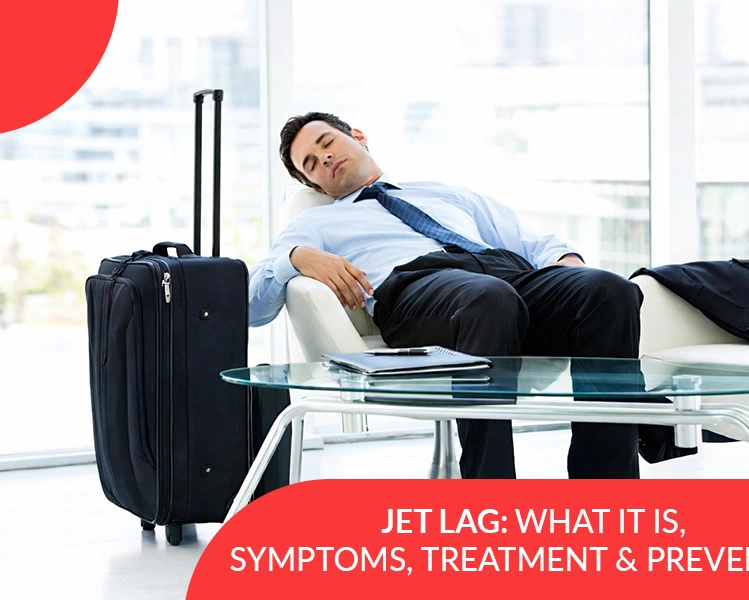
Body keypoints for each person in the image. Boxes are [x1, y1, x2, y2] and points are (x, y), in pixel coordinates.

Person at [249, 111, 679, 479]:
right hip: (419, 293)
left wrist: (569, 271)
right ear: (318, 187)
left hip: (505, 277)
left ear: (357, 138)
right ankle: (491, 498)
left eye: (327, 143)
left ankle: (605, 492)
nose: (324, 158)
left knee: (610, 290)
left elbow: (532, 243)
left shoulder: (446, 194)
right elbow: (254, 304)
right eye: (312, 163)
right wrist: (298, 256)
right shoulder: (319, 223)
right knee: (488, 298)